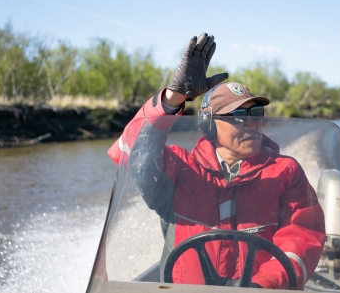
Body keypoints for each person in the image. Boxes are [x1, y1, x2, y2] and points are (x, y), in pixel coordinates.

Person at [107, 33, 325, 289]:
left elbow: (302, 236)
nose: (252, 122)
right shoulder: (180, 168)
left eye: (256, 112)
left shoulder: (285, 172)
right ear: (208, 124)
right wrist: (172, 99)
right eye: (237, 115)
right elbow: (129, 151)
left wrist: (264, 285)